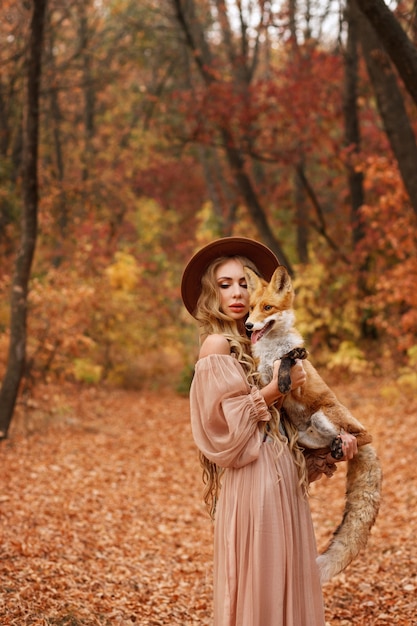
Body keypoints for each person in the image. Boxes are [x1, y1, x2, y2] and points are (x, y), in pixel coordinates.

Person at [181, 237, 358, 626]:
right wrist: (276, 387)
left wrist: (328, 451)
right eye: (225, 284)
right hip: (252, 483)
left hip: (286, 482)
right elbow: (225, 434)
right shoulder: (217, 345)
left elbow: (284, 428)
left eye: (244, 282)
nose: (237, 292)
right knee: (262, 588)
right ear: (212, 294)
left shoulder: (261, 345)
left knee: (286, 588)